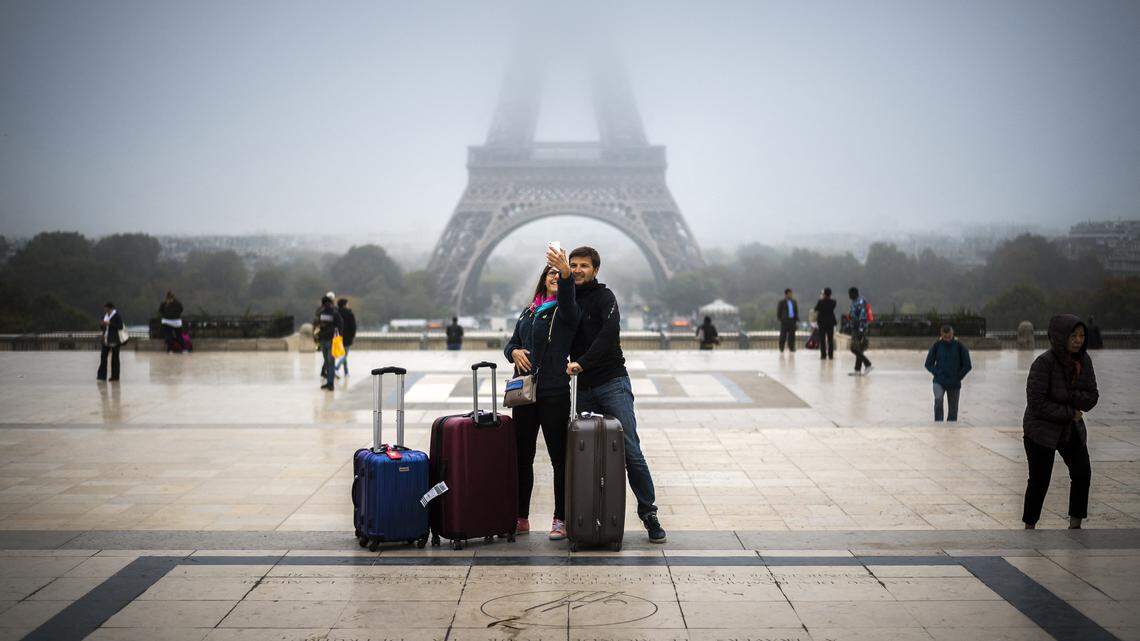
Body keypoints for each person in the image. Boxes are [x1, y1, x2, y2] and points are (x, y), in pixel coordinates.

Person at [565, 246, 666, 543]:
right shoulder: (565, 299)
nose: (579, 269)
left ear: (596, 269)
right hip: (581, 387)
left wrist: (581, 362)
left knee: (630, 450)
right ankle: (581, 517)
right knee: (579, 453)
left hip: (612, 382)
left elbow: (607, 336)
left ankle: (649, 513)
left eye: (584, 265)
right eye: (574, 265)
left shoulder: (605, 297)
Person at [504, 248, 580, 540]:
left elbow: (570, 300)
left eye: (559, 275)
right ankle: (520, 516)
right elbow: (510, 343)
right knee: (522, 457)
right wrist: (515, 352)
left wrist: (566, 272)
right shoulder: (529, 310)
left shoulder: (566, 312)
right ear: (541, 280)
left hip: (554, 392)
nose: (554, 277)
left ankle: (560, 519)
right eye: (550, 273)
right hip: (525, 392)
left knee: (559, 459)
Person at [1022, 315, 1098, 530]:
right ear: (1060, 336)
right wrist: (1070, 411)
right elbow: (1036, 403)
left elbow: (1092, 396)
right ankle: (1030, 525)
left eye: (1081, 335)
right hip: (1041, 430)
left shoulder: (1084, 361)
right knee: (1040, 479)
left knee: (1082, 472)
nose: (1078, 340)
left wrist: (1070, 398)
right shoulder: (1043, 363)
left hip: (1071, 428)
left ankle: (1076, 523)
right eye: (1073, 335)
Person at [924, 325, 972, 422]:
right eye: (945, 337)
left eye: (949, 337)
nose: (947, 339)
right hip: (939, 381)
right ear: (941, 335)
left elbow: (967, 365)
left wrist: (958, 376)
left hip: (954, 383)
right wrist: (937, 373)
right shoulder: (936, 346)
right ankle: (938, 422)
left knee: (953, 409)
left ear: (952, 334)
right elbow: (928, 364)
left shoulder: (960, 346)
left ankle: (951, 428)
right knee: (938, 400)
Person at [312, 296, 342, 391]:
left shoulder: (320, 313)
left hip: (323, 340)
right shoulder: (335, 313)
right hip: (331, 340)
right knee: (330, 363)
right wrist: (338, 337)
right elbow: (340, 325)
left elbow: (316, 326)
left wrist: (316, 338)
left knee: (328, 362)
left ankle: (329, 383)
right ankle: (330, 383)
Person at [846, 287, 873, 375]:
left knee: (853, 348)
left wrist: (861, 330)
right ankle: (857, 370)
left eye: (850, 294)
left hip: (859, 328)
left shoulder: (861, 301)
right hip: (854, 327)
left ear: (854, 293)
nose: (849, 296)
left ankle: (868, 364)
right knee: (859, 349)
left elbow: (863, 316)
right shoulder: (854, 302)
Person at [97, 302, 125, 382]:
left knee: (115, 358)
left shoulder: (117, 315)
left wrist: (110, 324)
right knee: (103, 357)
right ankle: (101, 376)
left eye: (106, 308)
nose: (105, 310)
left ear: (110, 308)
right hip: (105, 339)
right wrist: (102, 325)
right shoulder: (105, 316)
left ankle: (115, 377)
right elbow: (102, 327)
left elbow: (120, 326)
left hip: (114, 340)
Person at [813, 288, 837, 360]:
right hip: (830, 322)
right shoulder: (833, 302)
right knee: (830, 340)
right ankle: (830, 355)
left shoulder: (820, 302)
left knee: (822, 340)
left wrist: (821, 298)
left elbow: (815, 309)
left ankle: (823, 355)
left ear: (824, 294)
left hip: (822, 323)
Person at [336, 298, 356, 376]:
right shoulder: (349, 314)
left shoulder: (336, 313)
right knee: (344, 355)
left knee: (343, 355)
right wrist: (352, 335)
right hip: (347, 337)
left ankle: (346, 372)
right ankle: (336, 368)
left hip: (338, 336)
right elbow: (353, 326)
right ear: (345, 305)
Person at [776, 288, 799, 353]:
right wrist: (780, 319)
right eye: (789, 293)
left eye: (791, 293)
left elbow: (796, 311)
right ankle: (781, 348)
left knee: (792, 335)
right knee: (783, 335)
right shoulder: (781, 302)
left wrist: (796, 319)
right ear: (786, 294)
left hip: (792, 321)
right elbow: (779, 311)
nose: (791, 295)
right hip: (784, 321)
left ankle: (791, 347)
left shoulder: (794, 302)